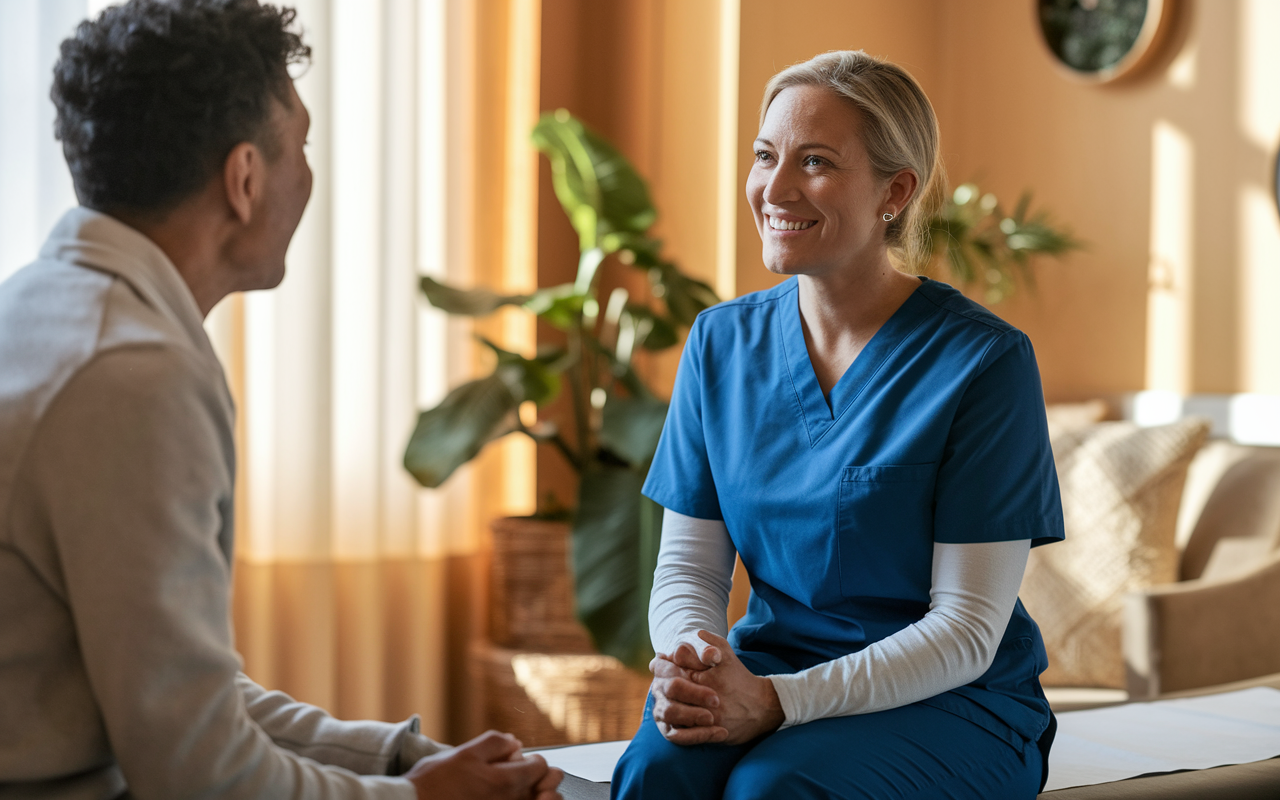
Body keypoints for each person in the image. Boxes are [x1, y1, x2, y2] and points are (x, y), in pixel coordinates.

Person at [0, 2, 562, 799]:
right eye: (301, 146)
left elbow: (185, 700)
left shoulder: (42, 307)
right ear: (244, 178)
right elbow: (200, 773)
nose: (306, 175)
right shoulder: (131, 377)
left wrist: (400, 760)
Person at [611, 50, 1065, 799]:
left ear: (896, 190)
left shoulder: (983, 363)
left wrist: (779, 705)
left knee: (775, 789)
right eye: (765, 155)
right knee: (657, 773)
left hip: (951, 701)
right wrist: (696, 659)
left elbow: (966, 630)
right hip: (770, 671)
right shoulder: (721, 343)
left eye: (815, 161)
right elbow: (690, 569)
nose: (775, 188)